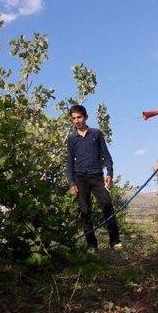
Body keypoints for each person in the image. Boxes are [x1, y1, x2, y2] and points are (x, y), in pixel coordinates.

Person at [66, 105, 121, 251]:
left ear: (85, 117)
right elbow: (69, 162)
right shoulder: (71, 139)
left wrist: (109, 173)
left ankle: (115, 242)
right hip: (80, 179)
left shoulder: (96, 134)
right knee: (85, 212)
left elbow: (106, 155)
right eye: (74, 118)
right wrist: (71, 183)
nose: (77, 121)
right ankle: (92, 245)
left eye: (79, 117)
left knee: (107, 205)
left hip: (97, 176)